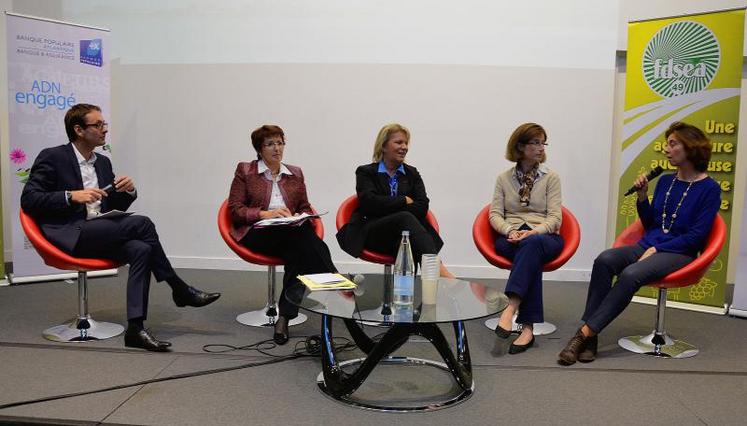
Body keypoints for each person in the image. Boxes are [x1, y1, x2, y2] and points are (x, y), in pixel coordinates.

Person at [21, 103, 220, 352]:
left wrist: (128, 191)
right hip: (71, 232)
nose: (105, 129)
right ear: (79, 130)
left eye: (105, 124)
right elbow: (29, 199)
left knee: (140, 249)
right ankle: (179, 288)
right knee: (143, 223)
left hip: (99, 229)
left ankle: (136, 329)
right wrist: (72, 196)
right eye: (98, 124)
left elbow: (113, 204)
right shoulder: (53, 156)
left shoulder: (102, 162)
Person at [558, 122, 721, 365]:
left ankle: (582, 335)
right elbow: (651, 222)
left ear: (691, 147)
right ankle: (591, 339)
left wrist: (658, 248)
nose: (666, 148)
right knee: (604, 260)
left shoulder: (710, 189)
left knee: (630, 274)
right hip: (648, 244)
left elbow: (696, 237)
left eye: (673, 143)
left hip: (680, 252)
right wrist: (643, 196)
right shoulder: (666, 181)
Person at [228, 125, 337, 345]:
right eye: (270, 144)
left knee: (298, 249)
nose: (277, 148)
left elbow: (306, 208)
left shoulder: (295, 173)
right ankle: (333, 283)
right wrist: (264, 213)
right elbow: (235, 210)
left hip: (291, 233)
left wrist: (298, 215)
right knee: (303, 241)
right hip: (259, 233)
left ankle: (284, 318)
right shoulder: (246, 171)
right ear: (260, 149)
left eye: (280, 143)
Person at [336, 123, 454, 278]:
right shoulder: (366, 172)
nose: (404, 147)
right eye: (399, 142)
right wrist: (403, 200)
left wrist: (386, 206)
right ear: (383, 146)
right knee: (405, 218)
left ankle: (414, 297)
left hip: (403, 235)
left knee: (406, 242)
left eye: (406, 143)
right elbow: (368, 204)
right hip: (373, 233)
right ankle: (439, 273)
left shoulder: (412, 173)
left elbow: (422, 207)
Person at [489, 123, 564, 354]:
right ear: (520, 146)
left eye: (543, 142)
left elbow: (555, 218)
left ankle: (510, 309)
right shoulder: (503, 178)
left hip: (543, 236)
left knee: (531, 246)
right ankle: (528, 328)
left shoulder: (551, 177)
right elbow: (494, 214)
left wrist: (534, 231)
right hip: (511, 237)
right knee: (530, 256)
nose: (541, 147)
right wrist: (510, 231)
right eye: (536, 142)